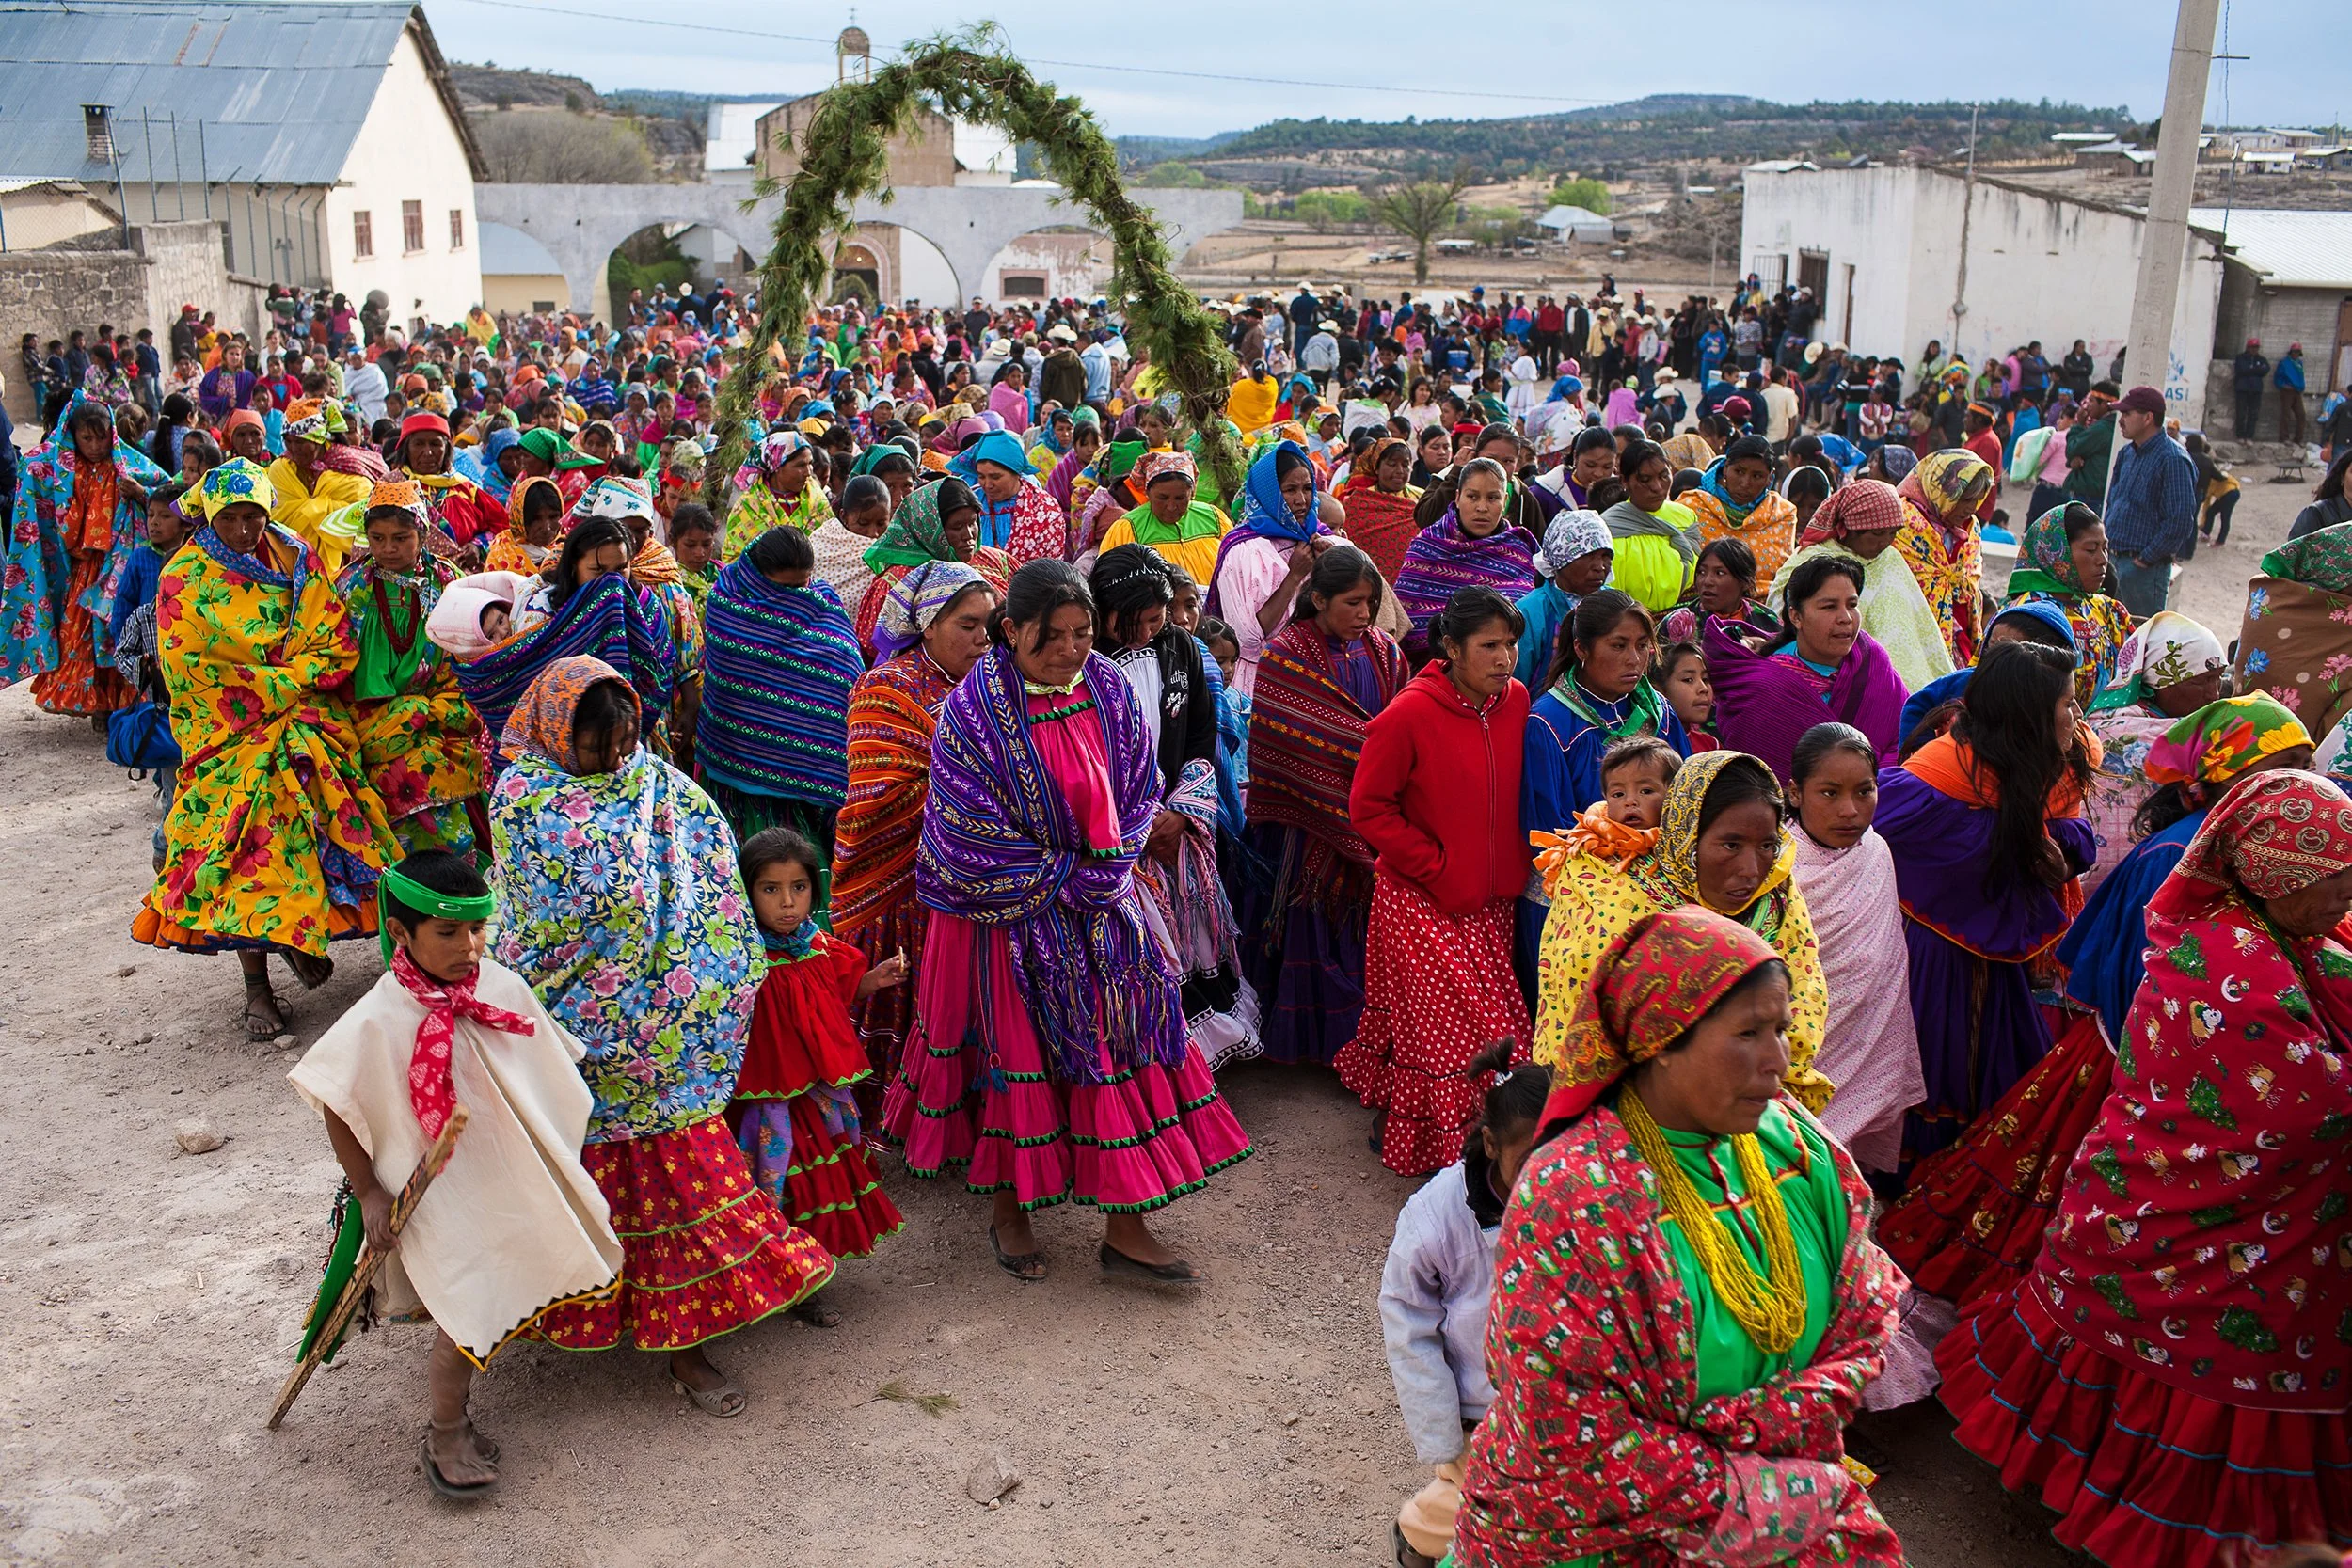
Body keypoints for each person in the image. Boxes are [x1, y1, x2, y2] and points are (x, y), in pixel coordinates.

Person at [1937, 769, 2352, 1568]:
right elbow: (2300, 1105)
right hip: (2196, 1224)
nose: (2345, 902)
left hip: (2194, 1211)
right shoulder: (2225, 959)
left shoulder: (2289, 933)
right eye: (2336, 883)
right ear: (2278, 872)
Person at [1452, 907, 1906, 1568]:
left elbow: (1864, 1297)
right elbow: (1569, 1427)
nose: (1780, 1059)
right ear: (1662, 1038)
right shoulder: (1573, 1194)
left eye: (1780, 1027)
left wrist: (1778, 1443)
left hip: (1792, 1486)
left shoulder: (1799, 1145)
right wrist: (1763, 1483)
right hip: (1611, 1538)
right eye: (1749, 1032)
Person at [882, 561, 1251, 1282]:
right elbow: (962, 829)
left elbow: (1139, 782)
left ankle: (1127, 1224)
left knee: (1115, 1042)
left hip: (1103, 901)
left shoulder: (1107, 686)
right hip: (1004, 916)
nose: (1071, 650)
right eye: (1054, 637)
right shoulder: (974, 710)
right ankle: (1009, 1210)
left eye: (1083, 634)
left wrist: (1107, 870)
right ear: (1012, 631)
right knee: (1015, 1052)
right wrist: (1065, 874)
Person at [490, 657, 836, 1415]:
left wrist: (692, 977)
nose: (616, 761)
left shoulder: (662, 785)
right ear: (554, 732)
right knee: (577, 1179)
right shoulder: (523, 799)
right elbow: (544, 915)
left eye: (624, 742)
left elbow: (711, 871)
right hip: (573, 1025)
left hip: (669, 1037)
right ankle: (555, 1309)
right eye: (596, 748)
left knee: (680, 1184)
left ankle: (688, 1345)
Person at [286, 848, 623, 1499]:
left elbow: (546, 1063)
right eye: (448, 932)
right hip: (440, 1193)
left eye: (478, 929)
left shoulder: (497, 986)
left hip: (508, 1172)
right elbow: (337, 1098)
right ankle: (446, 1426)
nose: (469, 947)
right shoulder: (378, 1017)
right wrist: (370, 1190)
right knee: (466, 1303)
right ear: (403, 933)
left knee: (520, 1267)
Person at [132, 459, 399, 1036]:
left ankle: (300, 934)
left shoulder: (295, 556)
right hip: (230, 734)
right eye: (232, 518)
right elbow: (192, 671)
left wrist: (293, 675)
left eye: (255, 515)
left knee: (328, 822)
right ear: (210, 516)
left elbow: (332, 633)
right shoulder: (184, 578)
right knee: (238, 848)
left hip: (305, 719)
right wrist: (280, 682)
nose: (246, 530)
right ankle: (257, 988)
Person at [1336, 588, 1534, 1177]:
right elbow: (1368, 809)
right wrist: (1436, 864)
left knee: (1466, 1030)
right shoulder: (1407, 715)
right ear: (1451, 648)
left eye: (1511, 645)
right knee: (1462, 1037)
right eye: (1490, 646)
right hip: (1420, 899)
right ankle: (1457, 1162)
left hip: (1491, 902)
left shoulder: (1517, 702)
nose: (1505, 659)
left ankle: (1475, 1147)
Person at [1873, 641, 2093, 1165]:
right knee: (1941, 1065)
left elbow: (2077, 831)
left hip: (2005, 966)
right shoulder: (1938, 775)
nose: (2078, 716)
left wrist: (2060, 851)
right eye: (2067, 703)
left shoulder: (2053, 766)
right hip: (1937, 954)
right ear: (2030, 715)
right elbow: (1864, 829)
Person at [1532, 748, 1832, 1102]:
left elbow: (1802, 1004)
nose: (1752, 869)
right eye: (1731, 845)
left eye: (1767, 845)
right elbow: (1581, 1028)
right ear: (1685, 838)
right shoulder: (1607, 892)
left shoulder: (1777, 895)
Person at [1090, 545, 1262, 1069]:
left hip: (1175, 821)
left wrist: (1183, 812)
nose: (1147, 631)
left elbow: (1203, 735)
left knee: (1190, 934)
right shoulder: (1085, 658)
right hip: (1116, 830)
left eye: (1156, 618)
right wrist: (1135, 825)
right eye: (1134, 621)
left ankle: (1200, 1051)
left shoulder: (1182, 649)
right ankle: (1153, 1058)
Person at [1239, 546, 1410, 1067]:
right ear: (1318, 600)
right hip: (1306, 820)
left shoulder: (1385, 651)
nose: (1364, 614)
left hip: (1374, 811)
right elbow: (1294, 738)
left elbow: (1402, 722)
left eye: (1370, 602)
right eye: (1353, 603)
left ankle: (1366, 1046)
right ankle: (1321, 1048)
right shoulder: (1286, 653)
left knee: (1361, 935)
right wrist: (1366, 758)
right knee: (1311, 928)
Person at [1380, 1045, 1549, 1568]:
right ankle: (1418, 1538)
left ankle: (1425, 1532)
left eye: (1557, 1156)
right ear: (1491, 1143)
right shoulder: (1436, 1214)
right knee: (1496, 1505)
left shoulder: (1575, 1201)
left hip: (1551, 1398)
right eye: (1529, 1162)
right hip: (1481, 1410)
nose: (1543, 1177)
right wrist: (1442, 1433)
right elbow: (1408, 1323)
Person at [831, 561, 995, 1082]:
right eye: (966, 626)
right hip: (898, 876)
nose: (981, 639)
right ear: (927, 625)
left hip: (976, 873)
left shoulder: (994, 685)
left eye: (987, 626)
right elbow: (877, 797)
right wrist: (978, 791)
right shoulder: (885, 691)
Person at [725, 826, 906, 1281]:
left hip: (817, 1094)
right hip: (764, 1100)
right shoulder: (737, 955)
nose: (788, 903)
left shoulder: (817, 944)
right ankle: (776, 1270)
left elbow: (838, 990)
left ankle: (809, 1270)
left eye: (799, 888)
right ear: (745, 890)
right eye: (770, 889)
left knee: (817, 1181)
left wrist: (875, 978)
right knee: (772, 1176)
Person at [1520, 590, 1692, 979]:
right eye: (1618, 645)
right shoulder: (1549, 723)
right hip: (1579, 902)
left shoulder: (1658, 712)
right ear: (1582, 648)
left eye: (1643, 645)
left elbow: (1687, 797)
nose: (1634, 659)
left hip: (1661, 890)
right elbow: (1551, 830)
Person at [695, 524, 862, 900]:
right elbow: (730, 682)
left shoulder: (824, 602)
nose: (796, 598)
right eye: (784, 590)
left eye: (802, 586)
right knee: (747, 883)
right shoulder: (728, 606)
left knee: (805, 885)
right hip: (740, 783)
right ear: (757, 577)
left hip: (812, 791)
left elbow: (844, 673)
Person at [1785, 722, 1921, 1176]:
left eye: (1865, 792)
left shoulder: (1877, 851)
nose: (1850, 810)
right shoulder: (1774, 864)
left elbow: (1884, 964)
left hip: (1869, 1036)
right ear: (1795, 793)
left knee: (1849, 1167)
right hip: (1802, 1048)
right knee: (1798, 1157)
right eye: (1829, 793)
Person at [333, 483, 488, 858]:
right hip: (366, 717)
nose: (388, 549)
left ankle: (447, 882)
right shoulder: (351, 586)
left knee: (427, 771)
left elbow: (469, 653)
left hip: (438, 709)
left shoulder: (450, 583)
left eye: (401, 538)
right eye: (377, 538)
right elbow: (334, 658)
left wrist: (425, 710)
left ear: (423, 533)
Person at [0, 395, 167, 716]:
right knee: (82, 640)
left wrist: (140, 494)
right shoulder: (62, 472)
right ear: (72, 436)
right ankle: (98, 706)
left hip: (118, 569)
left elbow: (168, 495)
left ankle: (120, 703)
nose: (94, 445)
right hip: (82, 572)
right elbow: (34, 470)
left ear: (113, 433)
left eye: (101, 436)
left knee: (116, 632)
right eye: (85, 438)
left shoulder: (128, 468)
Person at [451, 517, 675, 755]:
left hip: (627, 745)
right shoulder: (542, 611)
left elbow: (660, 670)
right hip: (557, 754)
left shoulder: (646, 607)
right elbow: (524, 685)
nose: (613, 582)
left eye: (621, 568)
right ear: (574, 567)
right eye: (598, 570)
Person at [1706, 554, 1908, 784]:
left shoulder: (1871, 659)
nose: (1846, 618)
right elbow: (1763, 780)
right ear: (1796, 616)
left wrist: (1879, 787)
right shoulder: (1764, 690)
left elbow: (1906, 734)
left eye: (1852, 605)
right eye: (1829, 607)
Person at [2078, 610, 2228, 889]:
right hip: (2131, 882)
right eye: (2201, 681)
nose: (2214, 694)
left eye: (2218, 678)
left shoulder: (2103, 718)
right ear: (2158, 683)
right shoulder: (2131, 734)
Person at [1768, 478, 1953, 693]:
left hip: (1902, 680)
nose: (1885, 541)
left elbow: (1919, 625)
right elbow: (1780, 608)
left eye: (1893, 533)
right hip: (1834, 676)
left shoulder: (1890, 559)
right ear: (1849, 529)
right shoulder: (1813, 561)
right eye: (1876, 533)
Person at [1209, 440, 1331, 697]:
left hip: (1318, 676)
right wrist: (1294, 576)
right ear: (1269, 492)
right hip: (1263, 681)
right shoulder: (1245, 550)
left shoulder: (1323, 539)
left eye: (1308, 489)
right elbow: (1248, 640)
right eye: (1290, 490)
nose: (1301, 500)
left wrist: (1330, 565)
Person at [1392, 457, 1539, 658]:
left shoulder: (1520, 550)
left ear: (1505, 501)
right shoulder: (1427, 546)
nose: (1482, 507)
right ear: (1458, 497)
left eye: (1492, 498)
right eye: (1472, 496)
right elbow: (1408, 622)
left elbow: (1534, 620)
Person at [852, 477, 1013, 659]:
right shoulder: (897, 582)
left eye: (973, 522)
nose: (968, 535)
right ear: (929, 528)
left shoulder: (994, 560)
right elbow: (871, 650)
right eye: (957, 527)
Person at [2002, 499, 2133, 707]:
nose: (2102, 560)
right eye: (2091, 550)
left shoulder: (2109, 612)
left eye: (2105, 548)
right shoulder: (2026, 616)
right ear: (2058, 554)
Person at [2103, 384, 2198, 619]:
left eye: (2127, 414)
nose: (2121, 420)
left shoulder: (2173, 459)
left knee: (2139, 640)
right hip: (2112, 561)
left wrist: (2145, 559)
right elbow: (2113, 502)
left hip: (2143, 571)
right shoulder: (2127, 454)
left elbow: (2180, 520)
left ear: (2147, 418)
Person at [1893, 449, 1992, 666]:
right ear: (1941, 490)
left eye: (1977, 499)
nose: (1971, 508)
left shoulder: (1970, 526)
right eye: (1965, 499)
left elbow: (1970, 576)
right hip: (1913, 632)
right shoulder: (1905, 522)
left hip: (1960, 631)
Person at [1091, 451, 1231, 586]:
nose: (1171, 506)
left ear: (1192, 492)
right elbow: (1108, 581)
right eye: (1162, 498)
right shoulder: (1128, 527)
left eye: (1180, 498)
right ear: (1147, 492)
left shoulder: (1213, 517)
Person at [265, 400, 371, 576]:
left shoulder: (346, 466)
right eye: (288, 441)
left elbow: (362, 511)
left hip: (344, 569)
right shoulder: (281, 469)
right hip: (289, 563)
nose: (293, 449)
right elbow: (275, 516)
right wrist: (324, 510)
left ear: (318, 439)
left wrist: (313, 508)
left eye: (300, 442)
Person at [1511, 508, 1613, 690]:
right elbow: (1516, 683)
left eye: (1606, 556)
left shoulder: (1616, 607)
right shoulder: (1530, 613)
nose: (1600, 567)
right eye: (1588, 556)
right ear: (1560, 560)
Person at [1682, 434, 1799, 588]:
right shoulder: (1692, 508)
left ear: (1770, 478)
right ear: (1726, 468)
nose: (1745, 483)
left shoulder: (1781, 515)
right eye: (1739, 472)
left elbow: (1781, 581)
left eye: (1757, 476)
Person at [1599, 439, 1696, 615]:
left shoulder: (1686, 517)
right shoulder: (1607, 528)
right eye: (1645, 480)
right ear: (1624, 481)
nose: (1657, 487)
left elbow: (1698, 575)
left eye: (1663, 476)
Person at [951, 429, 1065, 564]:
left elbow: (1051, 567)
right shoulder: (970, 502)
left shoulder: (1045, 509)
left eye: (995, 477)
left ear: (1017, 473)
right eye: (981, 476)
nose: (987, 485)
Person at [724, 428, 833, 560]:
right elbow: (735, 557)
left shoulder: (817, 501)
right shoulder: (750, 506)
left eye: (810, 463)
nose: (808, 472)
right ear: (777, 466)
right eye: (800, 465)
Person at [1336, 436, 1422, 587]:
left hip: (1411, 581)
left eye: (1405, 464)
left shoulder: (1422, 499)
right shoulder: (1358, 501)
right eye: (1392, 464)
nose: (1400, 471)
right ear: (1376, 467)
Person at [2231, 336, 2270, 439]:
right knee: (2241, 413)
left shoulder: (2262, 359)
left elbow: (2265, 370)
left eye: (2256, 347)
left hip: (2256, 390)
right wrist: (2256, 370)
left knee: (2253, 414)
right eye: (2252, 347)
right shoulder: (2241, 358)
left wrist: (2251, 369)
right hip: (2242, 389)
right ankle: (2240, 435)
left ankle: (2249, 436)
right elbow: (2241, 370)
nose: (2254, 350)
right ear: (2248, 348)